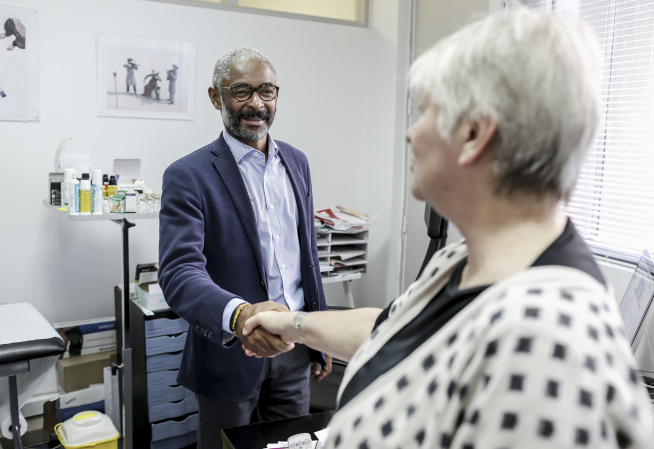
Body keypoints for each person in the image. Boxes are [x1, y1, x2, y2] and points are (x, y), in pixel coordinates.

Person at [241, 9, 654, 449]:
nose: (411, 133)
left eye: (427, 112)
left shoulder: (546, 335)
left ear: (475, 132)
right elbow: (392, 330)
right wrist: (295, 324)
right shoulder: (465, 258)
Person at [158, 47, 331, 447]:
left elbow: (306, 258)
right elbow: (180, 272)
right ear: (216, 97)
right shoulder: (189, 175)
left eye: (267, 91)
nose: (257, 103)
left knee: (293, 445)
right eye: (242, 91)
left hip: (295, 347)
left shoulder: (297, 163)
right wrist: (239, 316)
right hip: (230, 352)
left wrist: (317, 338)